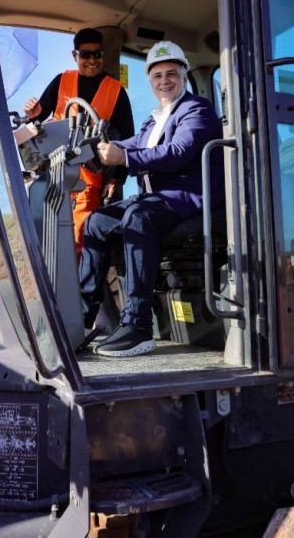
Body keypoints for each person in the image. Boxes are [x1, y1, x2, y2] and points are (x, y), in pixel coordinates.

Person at [78, 41, 222, 357]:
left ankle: (137, 325)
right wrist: (96, 151)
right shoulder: (155, 118)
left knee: (138, 218)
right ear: (150, 81)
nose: (164, 81)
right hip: (156, 199)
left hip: (187, 198)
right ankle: (82, 315)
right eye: (157, 76)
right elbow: (131, 144)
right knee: (97, 221)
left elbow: (177, 152)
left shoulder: (197, 110)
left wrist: (124, 158)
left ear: (184, 77)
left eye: (171, 74)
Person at [24, 28, 134, 254]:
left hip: (90, 178)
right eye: (86, 55)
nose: (92, 60)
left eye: (98, 54)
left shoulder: (116, 91)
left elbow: (127, 138)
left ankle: (76, 288)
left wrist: (117, 179)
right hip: (53, 174)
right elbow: (37, 118)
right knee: (47, 238)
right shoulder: (61, 81)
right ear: (75, 56)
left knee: (79, 238)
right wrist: (33, 114)